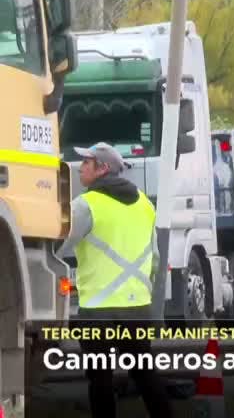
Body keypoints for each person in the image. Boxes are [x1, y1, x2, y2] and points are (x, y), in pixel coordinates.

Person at [55, 142, 172, 418]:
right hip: (137, 310)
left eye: (87, 162)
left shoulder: (85, 205)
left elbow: (59, 246)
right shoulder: (145, 204)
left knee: (100, 380)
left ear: (103, 168)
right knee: (145, 374)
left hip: (97, 310)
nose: (80, 167)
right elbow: (154, 257)